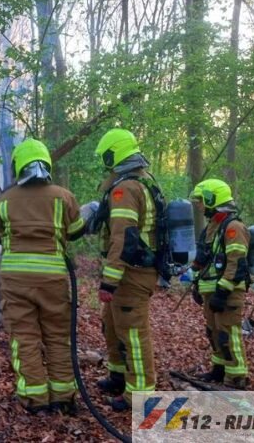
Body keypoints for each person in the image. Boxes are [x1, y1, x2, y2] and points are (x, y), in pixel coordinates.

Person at [0, 138, 86, 415]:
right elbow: (76, 231)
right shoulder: (63, 196)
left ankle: (35, 399)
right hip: (52, 281)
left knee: (24, 338)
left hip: (15, 282)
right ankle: (63, 397)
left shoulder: (5, 200)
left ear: (17, 166)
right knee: (58, 336)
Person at [92, 128, 160, 412]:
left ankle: (139, 394)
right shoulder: (140, 181)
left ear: (115, 154)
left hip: (131, 274)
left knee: (133, 333)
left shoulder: (126, 189)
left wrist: (109, 280)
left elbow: (123, 237)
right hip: (132, 271)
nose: (104, 162)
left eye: (106, 156)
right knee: (112, 325)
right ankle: (118, 376)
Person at [189, 178, 250, 389]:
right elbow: (204, 259)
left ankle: (237, 377)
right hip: (210, 291)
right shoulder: (211, 227)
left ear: (212, 199)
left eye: (201, 200)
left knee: (228, 333)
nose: (199, 205)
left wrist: (222, 292)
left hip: (228, 293)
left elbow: (236, 262)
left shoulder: (233, 227)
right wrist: (196, 282)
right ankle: (219, 370)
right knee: (213, 331)